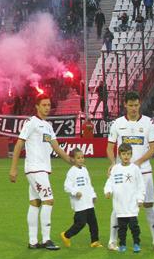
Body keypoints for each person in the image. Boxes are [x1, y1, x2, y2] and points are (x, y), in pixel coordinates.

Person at [9, 94, 73, 250]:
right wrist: (13, 167)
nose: (47, 108)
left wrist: (72, 162)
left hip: (41, 170)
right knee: (49, 200)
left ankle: (32, 241)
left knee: (35, 203)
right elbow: (18, 145)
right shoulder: (31, 123)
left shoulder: (48, 126)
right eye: (44, 105)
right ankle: (46, 240)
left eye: (49, 105)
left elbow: (56, 147)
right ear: (37, 106)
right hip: (35, 168)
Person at [105, 91, 154, 251]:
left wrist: (138, 163)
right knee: (119, 206)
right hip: (123, 172)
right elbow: (109, 147)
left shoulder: (148, 123)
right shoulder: (117, 123)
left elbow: (153, 147)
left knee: (149, 205)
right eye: (131, 105)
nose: (134, 108)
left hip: (144, 171)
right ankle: (112, 241)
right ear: (125, 105)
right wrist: (113, 164)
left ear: (139, 104)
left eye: (136, 105)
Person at [105, 143, 146, 253]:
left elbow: (141, 185)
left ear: (131, 155)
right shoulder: (115, 169)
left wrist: (140, 199)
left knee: (134, 227)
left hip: (132, 204)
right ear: (119, 155)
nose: (126, 156)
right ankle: (122, 244)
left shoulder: (135, 169)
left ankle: (136, 243)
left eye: (128, 154)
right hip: (120, 205)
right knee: (121, 228)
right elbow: (110, 182)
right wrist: (108, 191)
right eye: (123, 154)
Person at [60, 149, 101, 248]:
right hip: (79, 203)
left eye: (82, 157)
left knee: (93, 223)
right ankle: (66, 235)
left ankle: (94, 241)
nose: (81, 159)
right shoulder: (71, 172)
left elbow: (89, 184)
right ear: (73, 159)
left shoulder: (84, 170)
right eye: (78, 158)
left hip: (88, 202)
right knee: (80, 223)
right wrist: (75, 192)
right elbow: (66, 186)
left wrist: (93, 195)